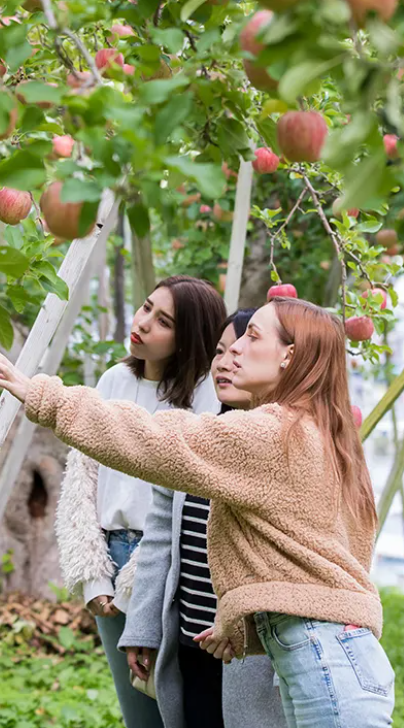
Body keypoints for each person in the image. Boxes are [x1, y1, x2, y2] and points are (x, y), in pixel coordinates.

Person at [0, 298, 395, 728]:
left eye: (253, 337)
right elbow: (318, 557)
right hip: (342, 652)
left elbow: (157, 440)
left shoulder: (273, 431)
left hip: (325, 660)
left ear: (289, 355)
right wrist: (240, 617)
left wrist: (46, 398)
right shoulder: (323, 431)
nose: (234, 348)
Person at [53, 275, 225, 728]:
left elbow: (191, 502)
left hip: (170, 567)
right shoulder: (113, 379)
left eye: (163, 320)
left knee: (179, 704)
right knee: (139, 711)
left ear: (188, 338)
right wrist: (92, 578)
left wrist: (141, 583)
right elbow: (82, 481)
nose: (144, 323)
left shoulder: (207, 394)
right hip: (109, 559)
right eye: (146, 307)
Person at [119, 309, 285, 728]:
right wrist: (143, 628)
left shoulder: (286, 450)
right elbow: (158, 539)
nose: (225, 361)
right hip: (189, 645)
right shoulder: (196, 439)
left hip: (254, 657)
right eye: (219, 350)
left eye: (241, 350)